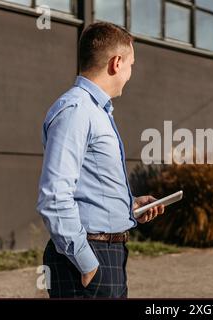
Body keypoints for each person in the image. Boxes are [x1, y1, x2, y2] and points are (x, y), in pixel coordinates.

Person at [36, 22, 164, 298]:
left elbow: (88, 190)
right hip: (88, 257)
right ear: (116, 63)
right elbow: (54, 198)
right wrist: (87, 264)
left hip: (108, 254)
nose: (131, 73)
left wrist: (129, 207)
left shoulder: (95, 111)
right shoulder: (77, 111)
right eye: (131, 64)